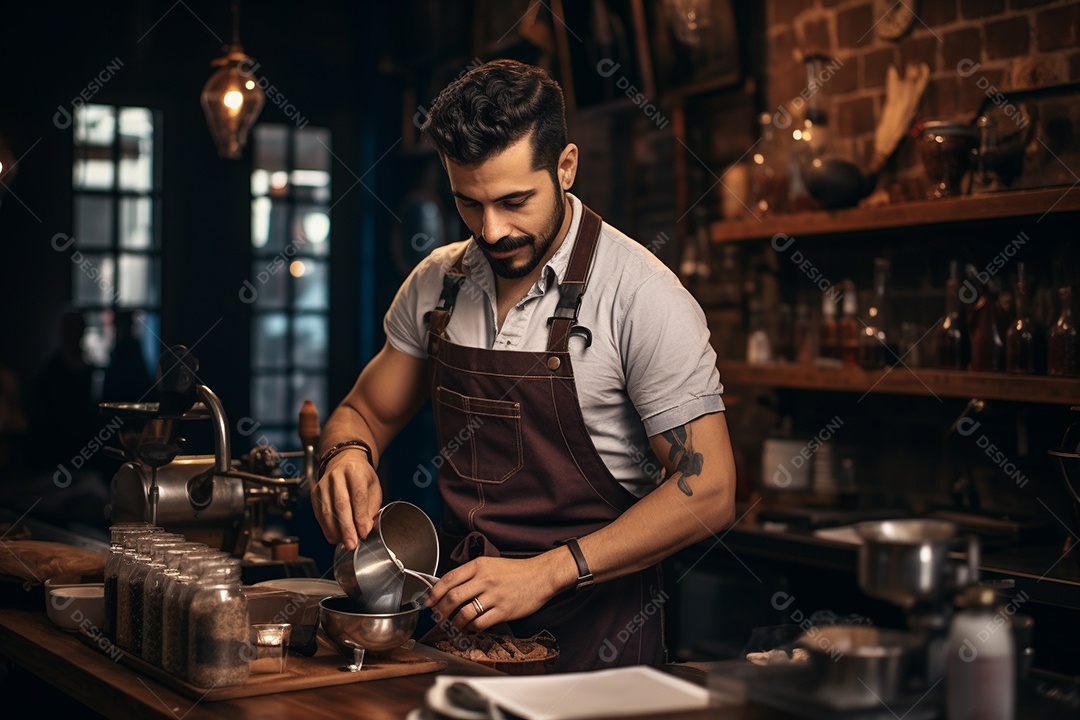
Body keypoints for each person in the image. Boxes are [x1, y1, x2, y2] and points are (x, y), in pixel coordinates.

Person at [313, 59, 736, 671]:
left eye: (515, 201)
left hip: (599, 651)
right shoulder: (439, 283)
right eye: (469, 203)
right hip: (460, 640)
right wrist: (345, 455)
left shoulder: (642, 296)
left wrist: (547, 572)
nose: (492, 230)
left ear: (565, 166)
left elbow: (712, 489)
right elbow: (363, 413)